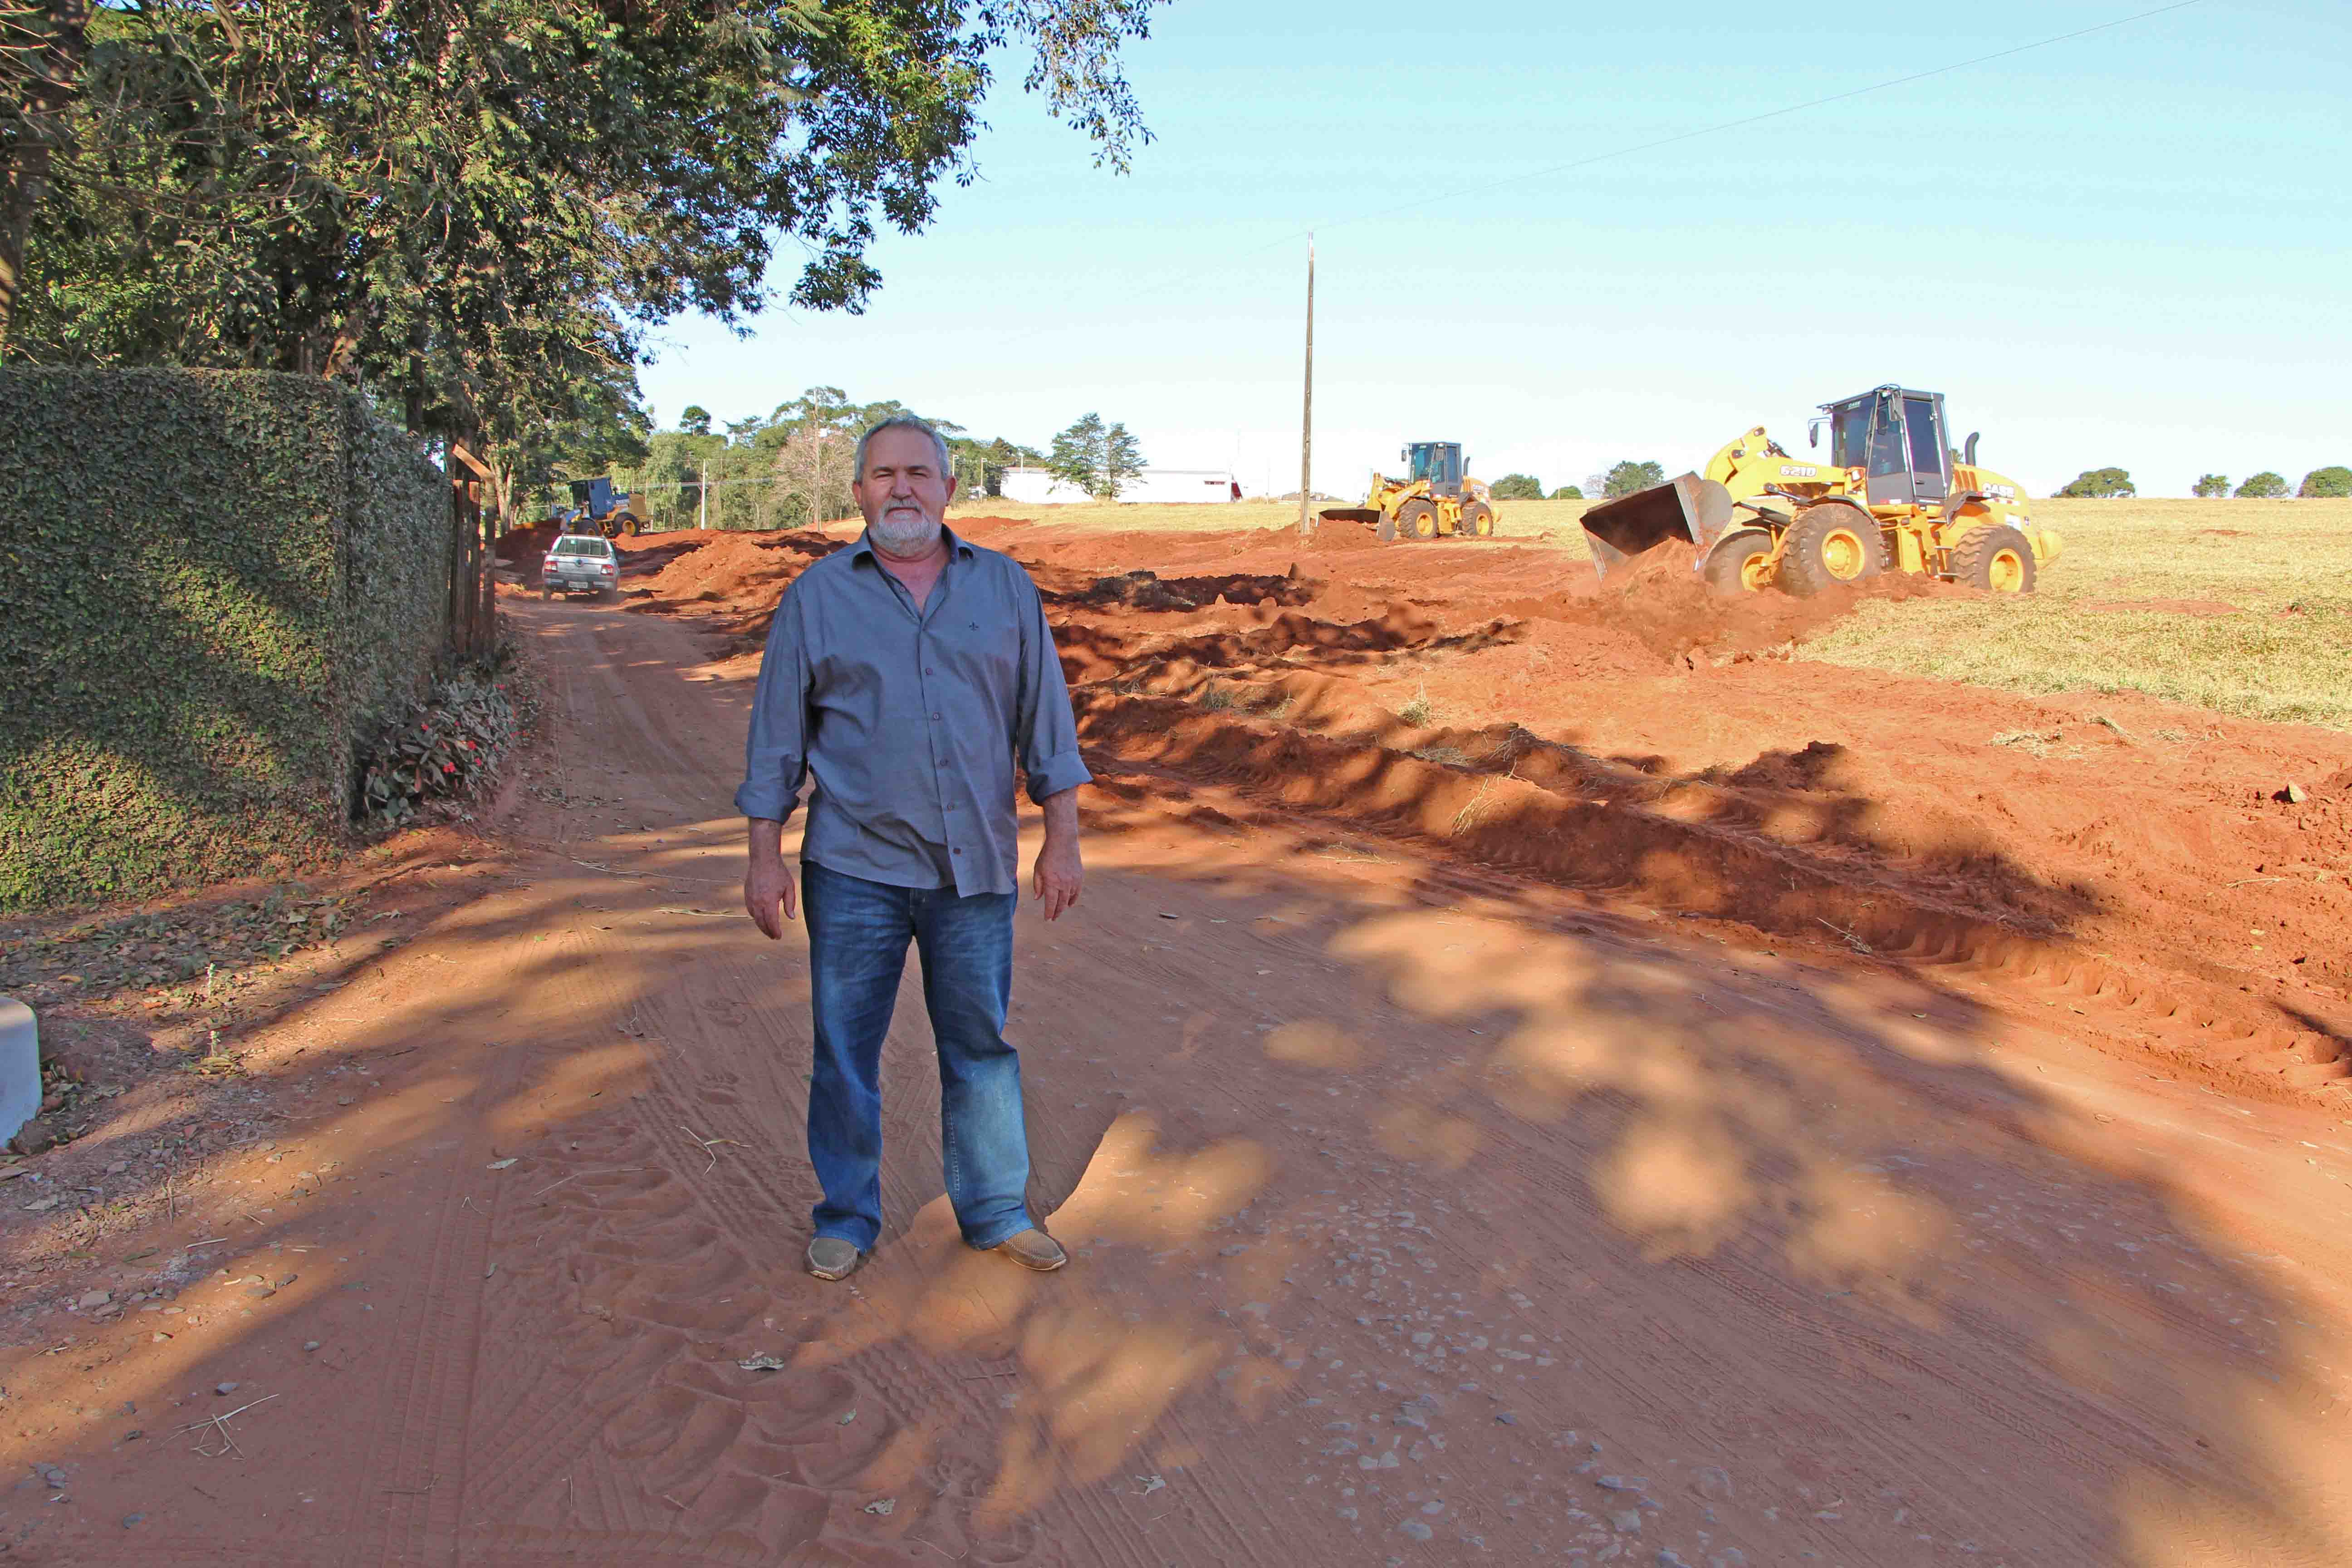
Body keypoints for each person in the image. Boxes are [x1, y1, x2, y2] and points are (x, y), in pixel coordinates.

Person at [737, 415, 1090, 1283]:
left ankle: (996, 1209)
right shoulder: (818, 597)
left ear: (948, 488)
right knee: (845, 1048)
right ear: (858, 492)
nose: (903, 488)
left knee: (979, 1043)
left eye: (919, 473)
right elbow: (777, 737)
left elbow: (1046, 722)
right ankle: (848, 1216)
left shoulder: (1006, 589)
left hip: (973, 869)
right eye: (884, 474)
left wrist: (1063, 841)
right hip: (853, 869)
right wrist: (763, 855)